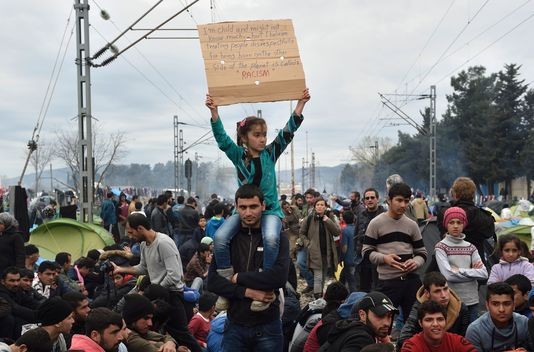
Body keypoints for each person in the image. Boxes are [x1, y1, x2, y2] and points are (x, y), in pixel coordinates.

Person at [205, 88, 309, 312]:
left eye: (264, 135)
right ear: (244, 138)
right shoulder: (237, 155)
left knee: (271, 238)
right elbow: (222, 140)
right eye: (257, 135)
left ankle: (266, 287)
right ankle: (225, 284)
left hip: (270, 211)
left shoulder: (270, 154)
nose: (263, 140)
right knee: (221, 236)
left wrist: (300, 104)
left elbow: (287, 133)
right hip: (245, 211)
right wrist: (214, 112)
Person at [207, 184, 289, 351]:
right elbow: (213, 282)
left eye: (253, 207)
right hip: (234, 326)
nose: (248, 213)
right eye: (243, 207)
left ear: (263, 206)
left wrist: (238, 278)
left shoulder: (278, 238)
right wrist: (249, 292)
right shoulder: (228, 240)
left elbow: (279, 277)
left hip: (268, 327)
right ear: (236, 208)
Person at [112, 213, 200, 352]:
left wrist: (154, 289)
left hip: (171, 295)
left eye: (131, 232)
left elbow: (175, 276)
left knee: (182, 335)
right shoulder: (143, 244)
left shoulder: (163, 243)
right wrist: (121, 269)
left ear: (140, 228)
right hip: (156, 295)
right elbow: (143, 268)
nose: (130, 236)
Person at [362, 183, 427, 322]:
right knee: (384, 323)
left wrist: (415, 262)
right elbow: (366, 251)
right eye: (399, 200)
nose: (403, 205)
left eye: (406, 201)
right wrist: (384, 258)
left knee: (415, 323)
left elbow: (422, 253)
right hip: (388, 282)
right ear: (389, 200)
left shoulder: (412, 225)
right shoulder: (376, 223)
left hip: (412, 282)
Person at [434, 207, 488, 322]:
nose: (455, 226)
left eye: (459, 222)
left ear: (464, 224)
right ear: (446, 224)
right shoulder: (441, 247)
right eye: (451, 222)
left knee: (471, 335)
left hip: (472, 300)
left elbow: (484, 274)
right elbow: (448, 275)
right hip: (452, 300)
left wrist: (460, 270)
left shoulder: (471, 247)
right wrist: (473, 272)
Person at [397, 272, 470, 350]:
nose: (443, 295)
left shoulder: (461, 308)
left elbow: (464, 340)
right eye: (437, 291)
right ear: (427, 293)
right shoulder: (419, 307)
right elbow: (404, 338)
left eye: (445, 289)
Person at [436, 177, 495, 268]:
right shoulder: (486, 217)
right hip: (476, 266)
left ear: (455, 194)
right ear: (473, 194)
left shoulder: (445, 213)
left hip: (450, 265)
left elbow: (442, 234)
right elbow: (489, 235)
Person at [320, 291, 398, 351]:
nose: (386, 323)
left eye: (389, 316)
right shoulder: (361, 338)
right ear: (362, 315)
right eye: (380, 316)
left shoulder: (353, 327)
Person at [465, 282, 531, 351]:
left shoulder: (524, 323)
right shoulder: (475, 330)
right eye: (495, 304)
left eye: (507, 304)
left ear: (514, 305)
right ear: (487, 305)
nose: (501, 309)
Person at [298, 198, 340, 298]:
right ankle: (317, 297)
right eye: (318, 205)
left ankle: (319, 297)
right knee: (318, 276)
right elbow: (302, 233)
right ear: (315, 207)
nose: (320, 207)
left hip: (327, 252)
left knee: (323, 276)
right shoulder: (309, 218)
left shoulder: (329, 217)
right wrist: (308, 244)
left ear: (325, 206)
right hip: (315, 252)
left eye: (322, 205)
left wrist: (328, 221)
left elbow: (337, 232)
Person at [400, 300, 476, 352]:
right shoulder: (411, 345)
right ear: (420, 323)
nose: (435, 324)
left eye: (440, 319)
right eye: (429, 320)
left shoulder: (457, 341)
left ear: (446, 321)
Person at [122, 293, 189, 352]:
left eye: (151, 318)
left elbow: (166, 337)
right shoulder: (130, 338)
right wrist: (162, 344)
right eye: (146, 318)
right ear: (133, 318)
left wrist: (170, 343)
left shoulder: (141, 330)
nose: (150, 323)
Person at [355, 188, 385, 292]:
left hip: (380, 258)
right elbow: (356, 234)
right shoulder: (361, 215)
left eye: (372, 197)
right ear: (364, 201)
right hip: (363, 259)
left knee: (378, 288)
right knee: (363, 288)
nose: (370, 200)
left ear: (377, 199)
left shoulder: (385, 215)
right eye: (367, 198)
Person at [340, 210, 357, 292]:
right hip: (357, 259)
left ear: (343, 220)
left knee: (351, 282)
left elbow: (344, 247)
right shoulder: (357, 229)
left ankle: (353, 299)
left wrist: (341, 258)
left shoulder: (345, 230)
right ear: (354, 219)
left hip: (349, 260)